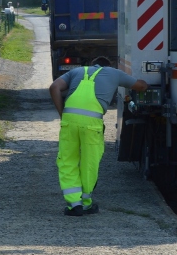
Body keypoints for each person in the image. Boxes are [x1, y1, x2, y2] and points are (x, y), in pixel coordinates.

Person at [49, 65, 148, 216]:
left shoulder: (77, 71)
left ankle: (74, 204)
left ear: (92, 64)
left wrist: (62, 114)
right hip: (92, 122)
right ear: (105, 65)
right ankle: (87, 203)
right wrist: (147, 83)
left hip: (69, 120)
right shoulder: (115, 73)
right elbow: (140, 86)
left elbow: (54, 87)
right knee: (90, 162)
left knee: (67, 160)